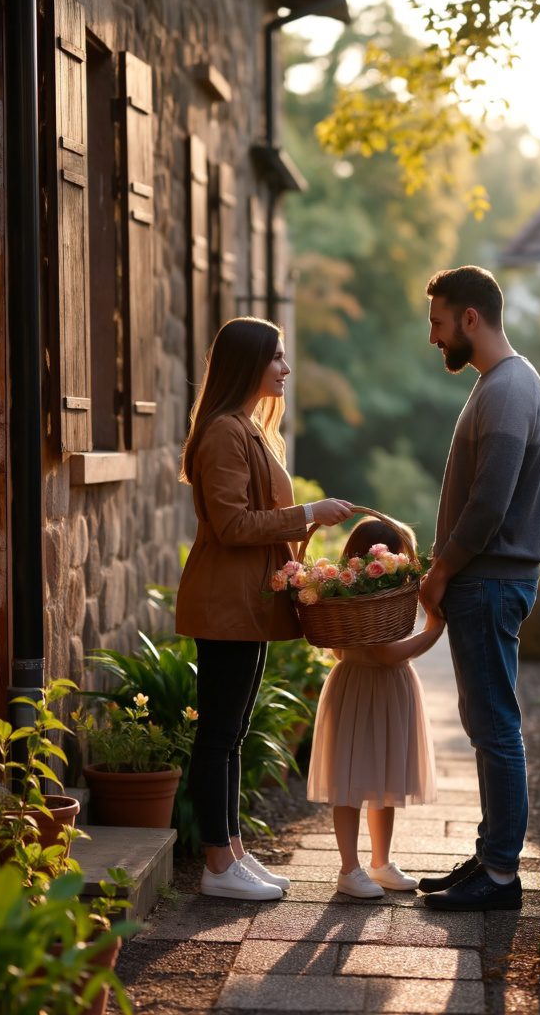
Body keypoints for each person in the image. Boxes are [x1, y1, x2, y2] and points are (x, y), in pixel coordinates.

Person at [176, 316, 353, 901]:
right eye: (277, 356)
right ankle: (217, 862)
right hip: (224, 602)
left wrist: (306, 526)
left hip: (244, 602)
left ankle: (232, 852)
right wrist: (306, 514)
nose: (286, 367)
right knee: (220, 734)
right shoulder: (225, 432)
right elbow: (230, 524)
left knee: (232, 732)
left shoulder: (245, 427)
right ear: (249, 363)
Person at [417, 265, 540, 912]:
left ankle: (499, 875)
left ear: (471, 318)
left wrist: (441, 569)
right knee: (485, 721)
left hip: (489, 581)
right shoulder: (505, 385)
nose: (435, 338)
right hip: (491, 582)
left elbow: (489, 504)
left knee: (495, 725)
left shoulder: (506, 389)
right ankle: (490, 854)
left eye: (439, 323)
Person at [306, 518, 441, 898]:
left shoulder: (381, 594)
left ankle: (380, 862)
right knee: (348, 782)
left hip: (384, 687)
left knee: (385, 778)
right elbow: (384, 654)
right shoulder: (350, 595)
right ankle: (350, 868)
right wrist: (433, 629)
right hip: (364, 686)